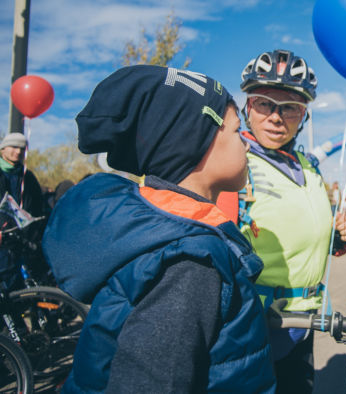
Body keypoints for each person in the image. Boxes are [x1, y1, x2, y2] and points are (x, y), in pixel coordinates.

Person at [42, 65, 275, 393]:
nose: (247, 144)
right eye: (237, 131)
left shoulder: (172, 237)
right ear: (195, 142)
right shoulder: (189, 263)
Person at [236, 49, 346, 393]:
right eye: (264, 103)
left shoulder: (307, 166)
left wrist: (337, 236)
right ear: (247, 108)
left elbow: (306, 229)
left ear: (303, 116)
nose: (276, 117)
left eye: (289, 107)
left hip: (303, 322)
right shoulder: (233, 162)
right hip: (257, 325)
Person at [0, 132, 45, 291]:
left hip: (21, 239)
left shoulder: (28, 176)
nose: (18, 152)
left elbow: (39, 206)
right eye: (13, 147)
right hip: (2, 239)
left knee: (18, 289)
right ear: (3, 149)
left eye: (22, 148)